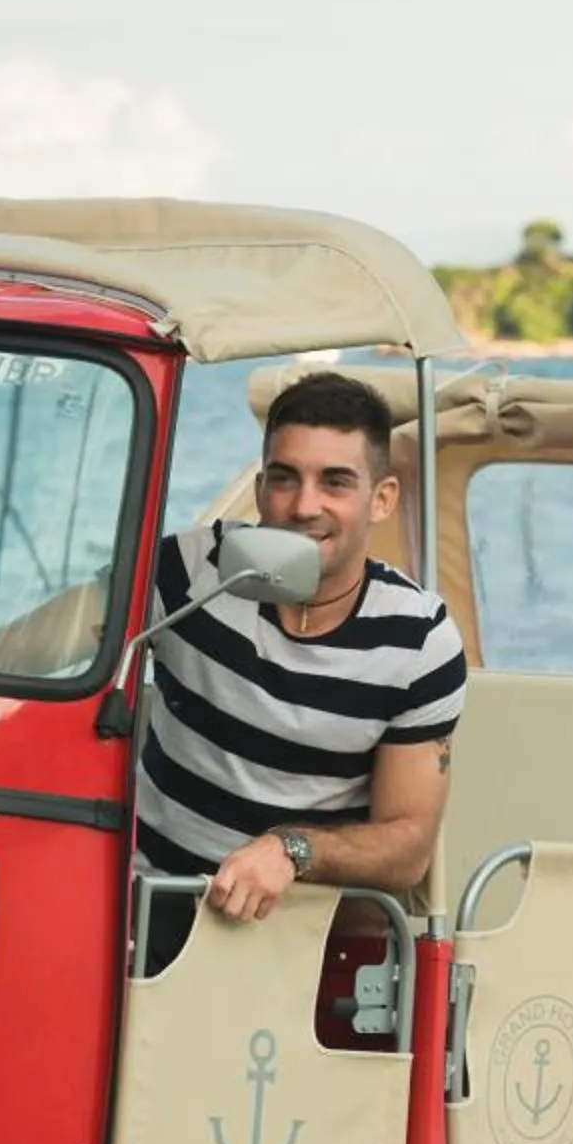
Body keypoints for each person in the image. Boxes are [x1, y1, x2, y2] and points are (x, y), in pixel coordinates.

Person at [136, 371, 466, 922]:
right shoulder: (192, 570)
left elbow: (408, 847)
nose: (304, 506)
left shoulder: (419, 641)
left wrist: (291, 849)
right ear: (260, 489)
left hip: (300, 933)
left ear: (382, 499)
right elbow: (55, 642)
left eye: (335, 482)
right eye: (285, 478)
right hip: (149, 906)